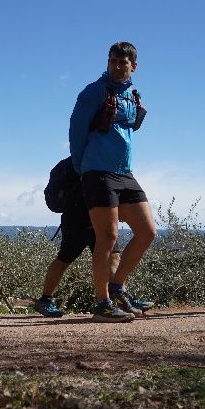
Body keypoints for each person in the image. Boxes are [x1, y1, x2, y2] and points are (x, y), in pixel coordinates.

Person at [69, 42, 157, 323]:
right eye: (113, 61)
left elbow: (131, 126)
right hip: (97, 170)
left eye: (123, 62)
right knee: (107, 237)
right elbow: (76, 130)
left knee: (147, 232)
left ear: (134, 65)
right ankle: (102, 302)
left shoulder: (132, 94)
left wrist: (140, 112)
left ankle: (118, 287)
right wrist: (82, 168)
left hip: (125, 172)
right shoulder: (94, 91)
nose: (117, 66)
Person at [35, 167, 148, 317]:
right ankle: (45, 300)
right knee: (64, 259)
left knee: (114, 256)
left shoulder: (104, 162)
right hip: (77, 219)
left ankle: (120, 297)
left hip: (100, 219)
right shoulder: (79, 163)